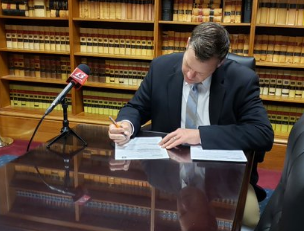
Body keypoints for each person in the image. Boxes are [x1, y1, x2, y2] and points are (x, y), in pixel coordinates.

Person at [109, 22, 274, 226]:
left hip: (223, 176)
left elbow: (262, 134)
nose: (189, 76)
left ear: (219, 63)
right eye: (188, 65)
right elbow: (137, 107)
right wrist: (126, 125)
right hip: (169, 164)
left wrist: (199, 135)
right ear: (188, 44)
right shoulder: (161, 68)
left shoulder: (241, 80)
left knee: (246, 218)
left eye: (199, 73)